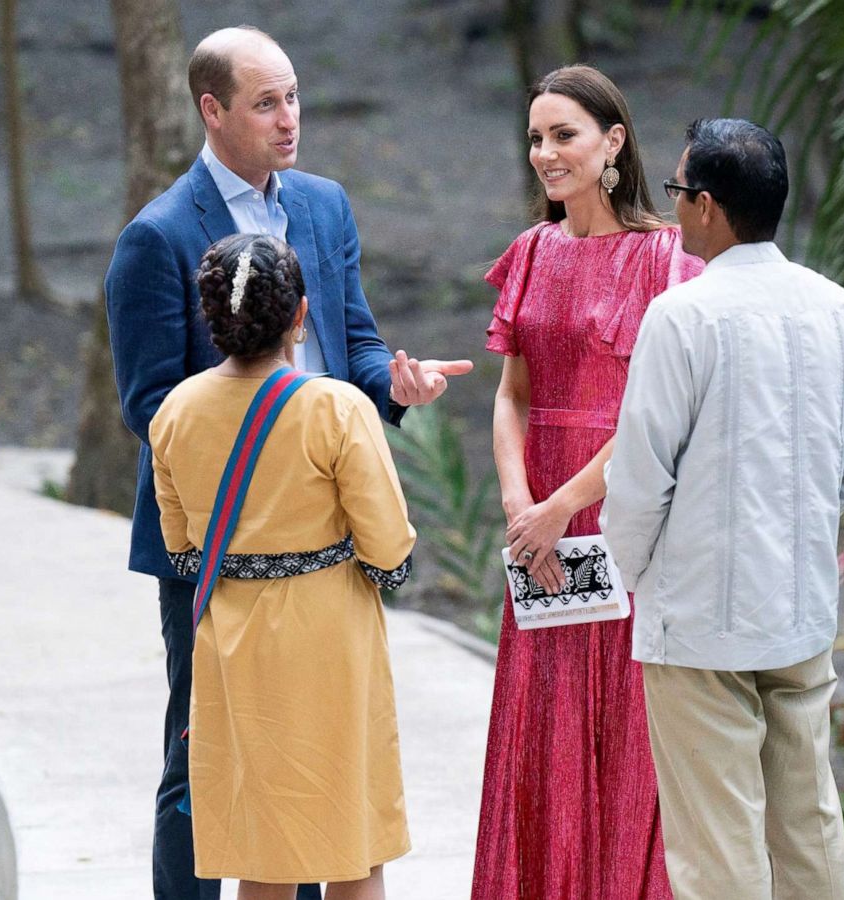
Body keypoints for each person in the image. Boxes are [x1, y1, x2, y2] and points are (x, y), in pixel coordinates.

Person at [103, 26, 469, 900]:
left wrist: (396, 386)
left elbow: (358, 345)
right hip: (218, 544)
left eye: (294, 96)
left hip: (326, 537)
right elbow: (148, 406)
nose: (289, 118)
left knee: (312, 762)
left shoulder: (324, 205)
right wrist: (260, 443)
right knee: (203, 759)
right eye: (266, 102)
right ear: (212, 109)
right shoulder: (155, 238)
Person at [600, 118, 844, 900]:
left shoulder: (684, 315)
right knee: (809, 828)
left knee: (717, 850)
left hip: (698, 624)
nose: (676, 205)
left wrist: (639, 577)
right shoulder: (839, 309)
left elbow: (639, 477)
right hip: (799, 609)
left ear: (709, 208)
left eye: (679, 191)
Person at [472, 65, 703, 899]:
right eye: (536, 137)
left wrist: (563, 507)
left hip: (618, 511)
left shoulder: (664, 257)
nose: (545, 153)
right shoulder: (532, 251)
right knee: (540, 723)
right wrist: (517, 504)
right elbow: (512, 395)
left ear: (613, 142)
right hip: (533, 519)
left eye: (562, 134)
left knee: (622, 718)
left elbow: (656, 414)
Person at [150, 233, 416, 900]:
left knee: (262, 858)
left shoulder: (175, 413)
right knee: (352, 853)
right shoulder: (337, 408)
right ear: (300, 317)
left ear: (211, 319)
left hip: (233, 650)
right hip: (328, 643)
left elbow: (180, 545)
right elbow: (388, 544)